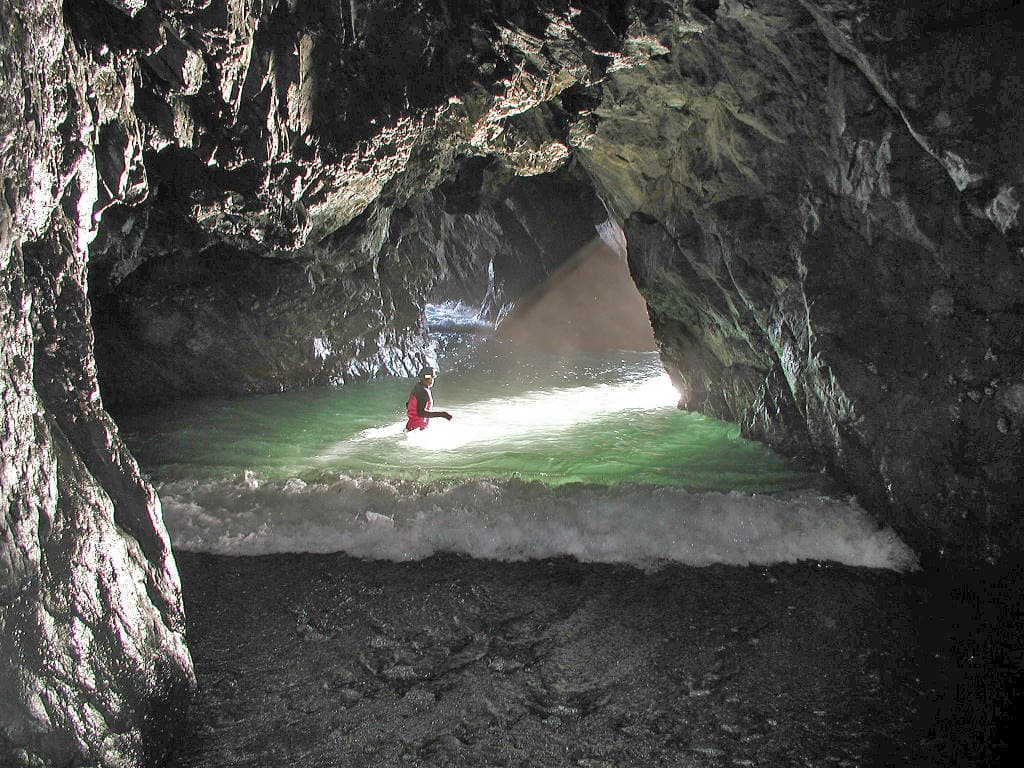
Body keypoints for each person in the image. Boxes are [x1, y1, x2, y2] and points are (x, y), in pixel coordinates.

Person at [405, 366, 452, 430]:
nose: (430, 379)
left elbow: (408, 405)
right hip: (417, 428)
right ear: (422, 378)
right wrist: (442, 414)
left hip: (412, 426)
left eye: (431, 377)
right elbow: (421, 413)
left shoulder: (417, 388)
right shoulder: (423, 391)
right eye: (428, 377)